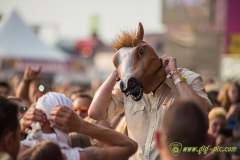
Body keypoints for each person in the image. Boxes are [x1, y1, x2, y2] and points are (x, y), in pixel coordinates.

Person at [88, 25, 212, 160]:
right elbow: (96, 112)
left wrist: (175, 75)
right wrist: (119, 68)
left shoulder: (187, 78)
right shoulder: (128, 87)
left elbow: (202, 110)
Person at [19, 92, 138, 160]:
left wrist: (20, 126)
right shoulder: (73, 156)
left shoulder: (16, 149)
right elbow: (130, 146)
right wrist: (80, 125)